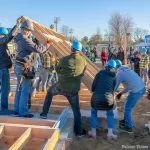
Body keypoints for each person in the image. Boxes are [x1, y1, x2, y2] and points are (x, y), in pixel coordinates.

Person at [40, 40, 87, 137]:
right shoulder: (83, 60)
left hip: (61, 86)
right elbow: (82, 72)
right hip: (73, 90)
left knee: (49, 92)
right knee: (76, 110)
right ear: (80, 50)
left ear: (71, 48)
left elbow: (57, 69)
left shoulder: (64, 59)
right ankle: (78, 132)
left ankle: (44, 114)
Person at [14, 19, 52, 118]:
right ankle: (23, 111)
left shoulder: (18, 37)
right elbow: (39, 49)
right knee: (25, 90)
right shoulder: (25, 40)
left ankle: (16, 110)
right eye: (30, 31)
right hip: (24, 67)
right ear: (26, 30)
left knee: (19, 89)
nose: (30, 32)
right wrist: (48, 44)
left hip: (18, 65)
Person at [88, 60, 118, 139]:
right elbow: (114, 89)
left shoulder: (100, 73)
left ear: (107, 66)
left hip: (96, 99)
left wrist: (94, 90)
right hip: (108, 100)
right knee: (110, 113)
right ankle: (110, 133)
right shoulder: (114, 76)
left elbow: (93, 85)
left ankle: (93, 132)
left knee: (94, 112)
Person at [114, 61, 145, 133]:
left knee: (128, 108)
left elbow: (115, 87)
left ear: (116, 67)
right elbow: (129, 86)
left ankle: (129, 127)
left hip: (136, 91)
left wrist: (112, 93)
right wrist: (121, 93)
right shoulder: (127, 69)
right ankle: (126, 120)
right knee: (127, 105)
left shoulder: (119, 74)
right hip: (141, 88)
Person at [0, 17, 21, 111]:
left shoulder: (3, 44)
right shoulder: (1, 41)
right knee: (5, 89)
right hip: (2, 69)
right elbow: (10, 36)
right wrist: (17, 25)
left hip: (3, 68)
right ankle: (4, 109)